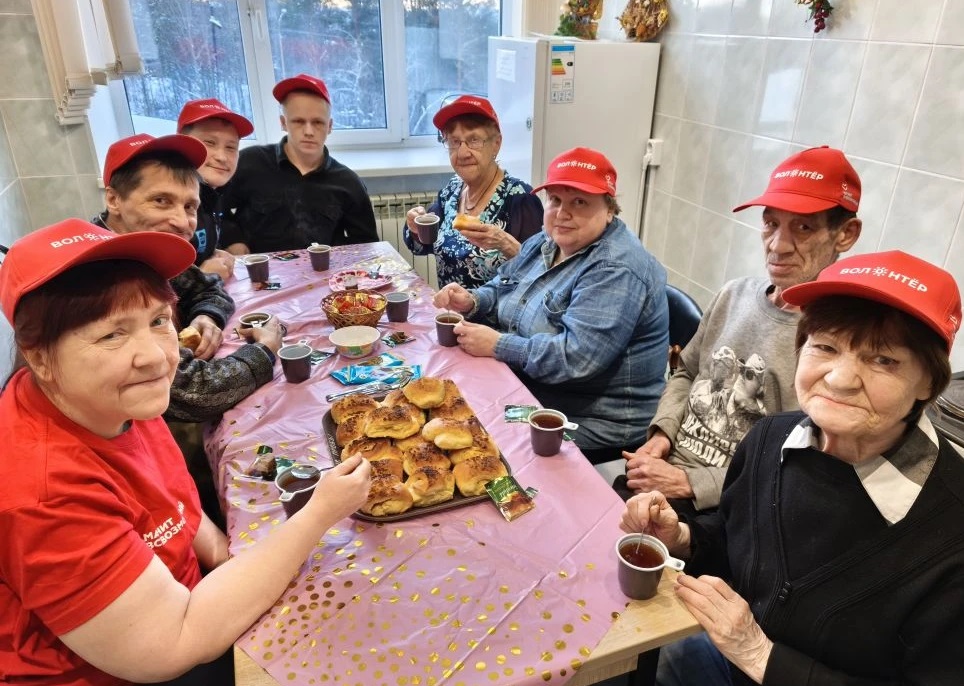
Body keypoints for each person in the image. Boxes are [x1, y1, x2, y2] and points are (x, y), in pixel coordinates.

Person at [0, 218, 372, 685]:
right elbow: (174, 644)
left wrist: (237, 563)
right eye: (112, 334)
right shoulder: (42, 495)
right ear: (39, 356)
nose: (157, 358)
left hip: (183, 598)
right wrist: (317, 514)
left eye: (158, 321)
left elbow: (182, 513)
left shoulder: (114, 397)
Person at [621, 250, 964, 685]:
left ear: (929, 382)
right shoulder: (770, 438)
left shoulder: (949, 534)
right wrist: (684, 538)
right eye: (825, 346)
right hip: (717, 653)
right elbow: (734, 540)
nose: (839, 379)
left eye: (883, 360)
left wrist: (760, 655)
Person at [620, 146, 862, 511]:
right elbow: (687, 371)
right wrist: (662, 433)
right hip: (661, 470)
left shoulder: (837, 346)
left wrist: (691, 483)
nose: (777, 245)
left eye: (803, 227)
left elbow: (801, 466)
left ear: (845, 234)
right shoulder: (733, 294)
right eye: (771, 224)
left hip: (731, 506)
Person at [433, 147, 668, 464]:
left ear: (610, 209)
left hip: (591, 419)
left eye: (579, 202)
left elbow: (576, 359)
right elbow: (503, 285)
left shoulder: (615, 269)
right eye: (555, 200)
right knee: (447, 412)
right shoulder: (547, 241)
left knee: (476, 452)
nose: (562, 213)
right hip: (532, 388)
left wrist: (499, 345)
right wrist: (473, 300)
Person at [93, 133, 282, 422]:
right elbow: (194, 393)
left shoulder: (141, 248)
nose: (183, 223)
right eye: (161, 201)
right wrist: (265, 350)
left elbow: (208, 287)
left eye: (190, 207)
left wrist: (206, 316)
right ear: (114, 199)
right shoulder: (103, 278)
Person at [222, 73, 378, 253]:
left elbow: (367, 244)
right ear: (283, 123)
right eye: (298, 122)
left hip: (323, 268)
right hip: (259, 267)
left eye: (318, 122)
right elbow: (214, 210)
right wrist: (233, 240)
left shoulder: (348, 183)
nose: (309, 131)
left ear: (329, 126)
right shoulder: (250, 162)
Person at [403, 95, 543, 288]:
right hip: (448, 306)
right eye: (454, 142)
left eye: (474, 140)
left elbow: (542, 276)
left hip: (497, 308)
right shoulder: (451, 191)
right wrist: (414, 226)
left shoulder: (521, 198)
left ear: (496, 144)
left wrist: (506, 245)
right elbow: (423, 245)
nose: (462, 153)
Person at [177, 97, 254, 281]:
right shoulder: (169, 200)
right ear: (182, 143)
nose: (222, 157)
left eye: (231, 147)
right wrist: (201, 277)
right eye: (210, 143)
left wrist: (213, 253)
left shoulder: (214, 192)